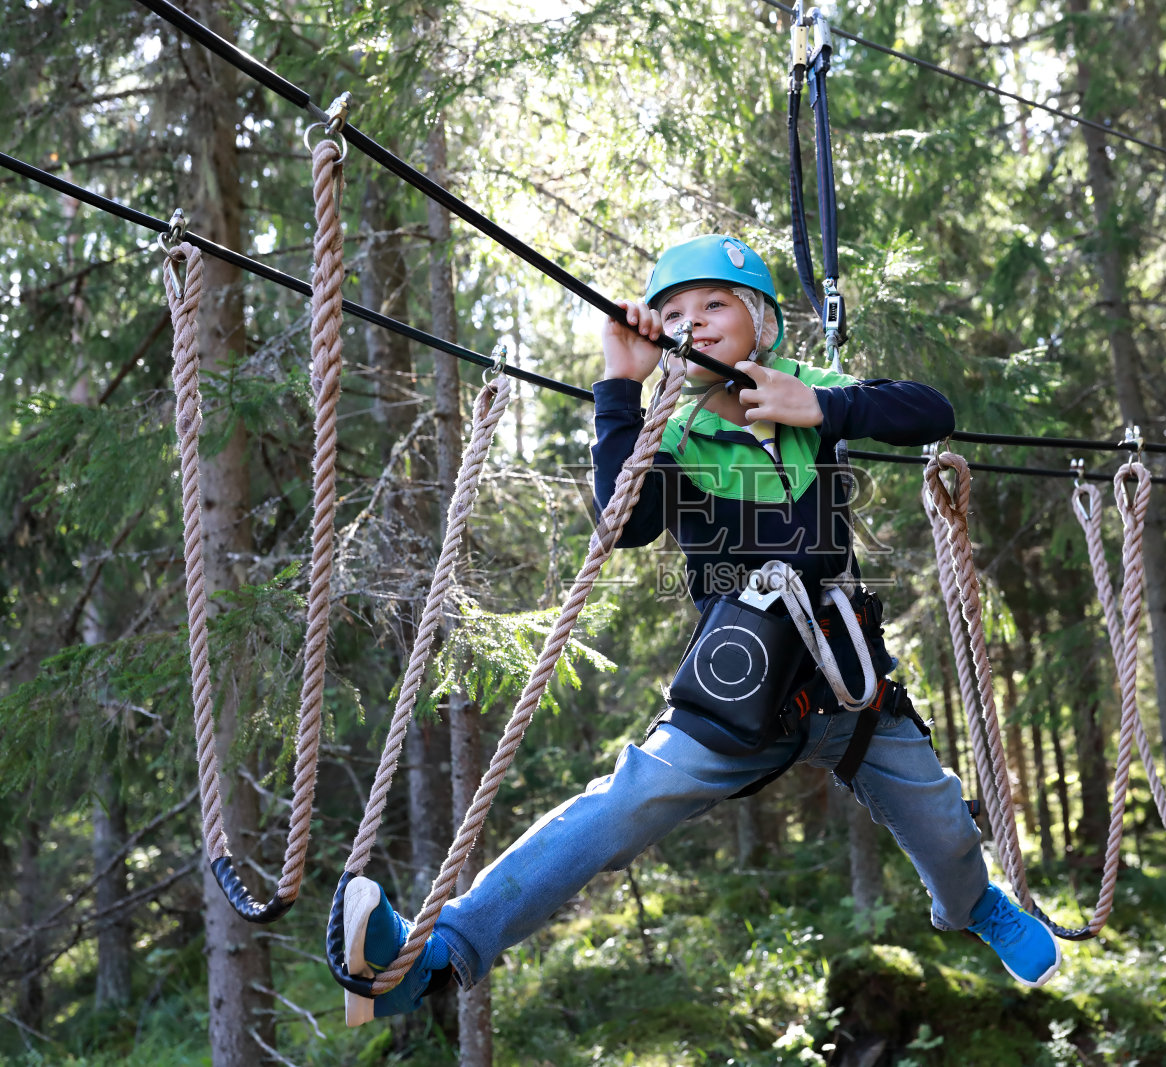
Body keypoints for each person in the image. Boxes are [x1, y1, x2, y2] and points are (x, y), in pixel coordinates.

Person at [340, 235, 1062, 1026]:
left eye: (716, 303)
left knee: (943, 824)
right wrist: (621, 388)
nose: (696, 321)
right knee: (621, 804)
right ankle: (436, 955)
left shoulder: (808, 397)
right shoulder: (672, 431)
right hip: (742, 684)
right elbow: (626, 521)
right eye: (675, 311)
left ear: (758, 318)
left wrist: (822, 406)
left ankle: (973, 906)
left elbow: (931, 411)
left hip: (850, 683)